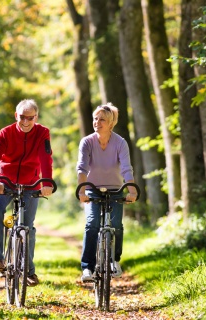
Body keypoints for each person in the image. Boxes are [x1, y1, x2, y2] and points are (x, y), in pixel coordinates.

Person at [0, 99, 54, 287]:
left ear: (36, 117)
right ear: (16, 115)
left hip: (30, 183)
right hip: (4, 182)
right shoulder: (5, 133)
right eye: (22, 117)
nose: (25, 122)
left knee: (27, 227)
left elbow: (45, 158)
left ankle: (29, 271)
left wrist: (46, 182)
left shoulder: (42, 133)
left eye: (30, 118)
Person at [76, 103, 137, 282]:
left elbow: (126, 169)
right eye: (95, 118)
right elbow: (81, 168)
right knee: (92, 223)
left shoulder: (120, 143)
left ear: (111, 123)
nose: (97, 122)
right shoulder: (87, 142)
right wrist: (82, 190)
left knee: (116, 225)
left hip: (115, 190)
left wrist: (131, 191)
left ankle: (114, 260)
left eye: (102, 119)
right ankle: (87, 267)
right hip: (92, 190)